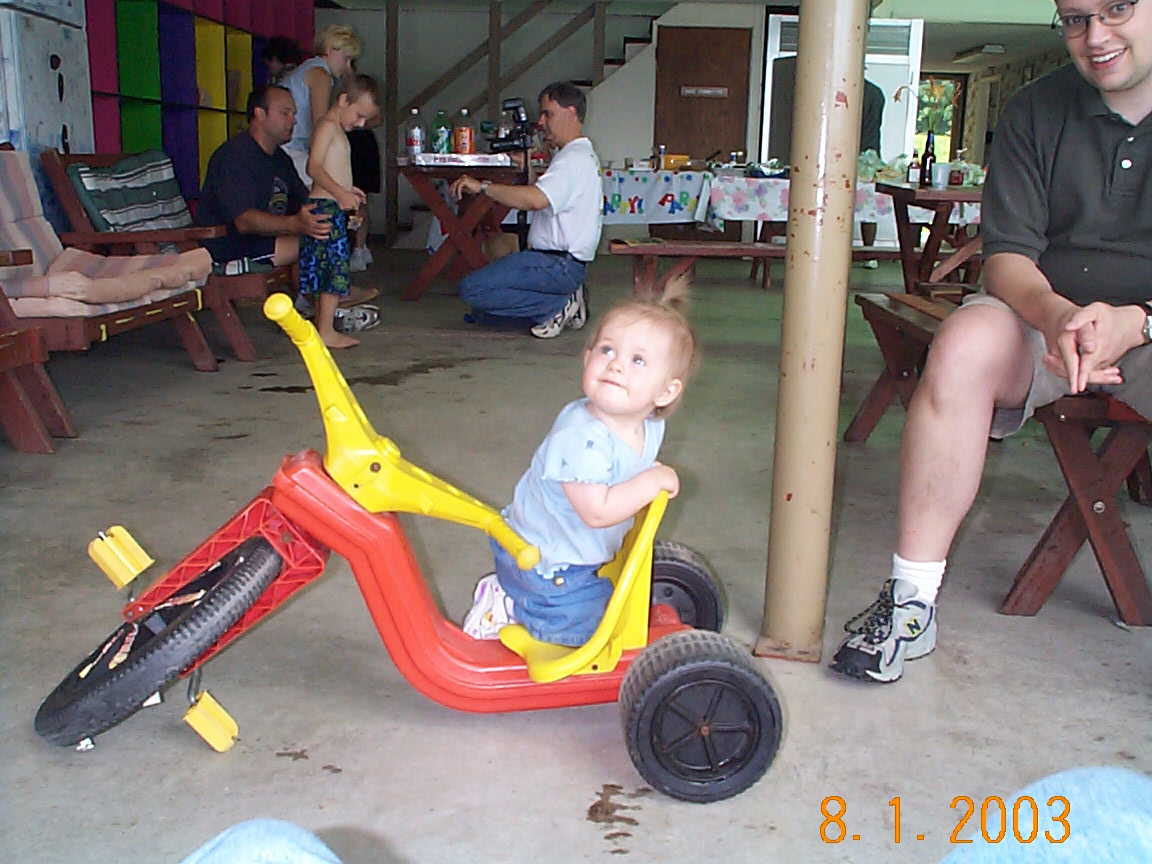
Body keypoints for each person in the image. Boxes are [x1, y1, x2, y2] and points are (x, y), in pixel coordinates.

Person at [830, 0, 1152, 684]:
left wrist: (1139, 322)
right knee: (965, 342)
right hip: (1047, 318)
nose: (1095, 36)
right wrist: (1057, 315)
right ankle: (911, 602)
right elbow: (1007, 258)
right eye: (1075, 18)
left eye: (1118, 9)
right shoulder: (1037, 109)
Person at [463, 284, 696, 645]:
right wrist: (652, 481)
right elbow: (597, 512)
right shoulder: (580, 439)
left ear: (665, 392)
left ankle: (519, 596)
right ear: (587, 359)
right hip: (545, 565)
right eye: (607, 350)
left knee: (610, 606)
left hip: (576, 549)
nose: (616, 364)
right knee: (589, 633)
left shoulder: (649, 425)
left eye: (638, 360)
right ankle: (508, 605)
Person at [449, 81, 602, 339]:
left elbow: (536, 200)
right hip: (558, 262)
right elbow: (546, 196)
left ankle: (558, 304)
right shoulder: (575, 156)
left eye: (548, 114)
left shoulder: (572, 160)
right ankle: (563, 301)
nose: (541, 122)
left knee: (473, 289)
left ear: (571, 113)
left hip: (555, 264)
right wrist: (528, 166)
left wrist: (482, 186)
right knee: (483, 315)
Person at [195, 85, 329, 275]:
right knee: (318, 242)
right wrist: (294, 224)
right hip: (230, 244)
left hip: (265, 239)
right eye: (285, 113)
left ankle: (318, 292)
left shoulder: (280, 158)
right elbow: (244, 221)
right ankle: (329, 293)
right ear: (260, 114)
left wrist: (335, 202)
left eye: (293, 114)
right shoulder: (233, 156)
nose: (293, 120)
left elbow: (303, 202)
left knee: (327, 234)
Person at [298, 73, 380, 349]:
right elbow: (314, 167)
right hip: (324, 208)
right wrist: (340, 193)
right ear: (344, 100)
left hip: (331, 205)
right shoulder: (327, 127)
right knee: (332, 271)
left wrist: (348, 189)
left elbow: (331, 169)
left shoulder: (337, 131)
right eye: (359, 115)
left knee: (332, 268)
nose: (361, 123)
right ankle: (325, 330)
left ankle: (324, 325)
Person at [282, 24, 361, 186]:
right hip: (291, 149)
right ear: (329, 50)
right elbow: (321, 126)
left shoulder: (308, 68)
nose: (347, 66)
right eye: (346, 58)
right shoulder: (321, 75)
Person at [858, 77, 885, 268]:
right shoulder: (876, 93)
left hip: (841, 152)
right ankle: (869, 253)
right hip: (870, 154)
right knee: (868, 204)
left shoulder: (845, 89)